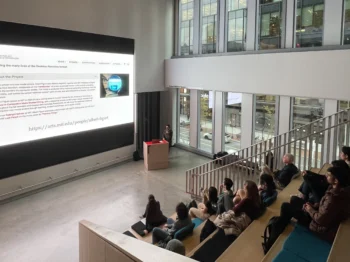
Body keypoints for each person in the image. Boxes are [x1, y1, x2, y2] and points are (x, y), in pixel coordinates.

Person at [280, 166, 350, 242]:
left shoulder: (334, 198)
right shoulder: (337, 190)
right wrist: (313, 206)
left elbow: (320, 219)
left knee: (285, 206)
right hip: (321, 217)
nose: (326, 176)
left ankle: (281, 228)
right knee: (294, 199)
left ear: (336, 181)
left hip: (319, 228)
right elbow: (326, 208)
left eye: (329, 175)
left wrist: (310, 210)